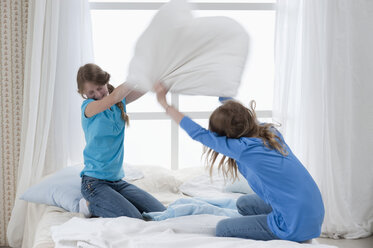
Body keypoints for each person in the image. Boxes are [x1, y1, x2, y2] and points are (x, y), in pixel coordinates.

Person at [154, 82, 324, 242]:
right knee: (244, 204)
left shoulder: (242, 148)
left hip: (293, 225)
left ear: (223, 135)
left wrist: (165, 104)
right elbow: (239, 114)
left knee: (223, 229)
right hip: (313, 213)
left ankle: (284, 230)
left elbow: (198, 133)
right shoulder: (268, 132)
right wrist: (222, 93)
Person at [76, 63, 166, 218]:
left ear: (106, 82)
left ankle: (109, 201)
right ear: (83, 94)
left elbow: (145, 87)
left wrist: (160, 73)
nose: (97, 94)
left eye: (100, 88)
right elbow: (113, 97)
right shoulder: (89, 107)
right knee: (134, 218)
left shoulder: (118, 102)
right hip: (94, 183)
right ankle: (90, 206)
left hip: (117, 181)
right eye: (91, 92)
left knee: (161, 213)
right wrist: (136, 73)